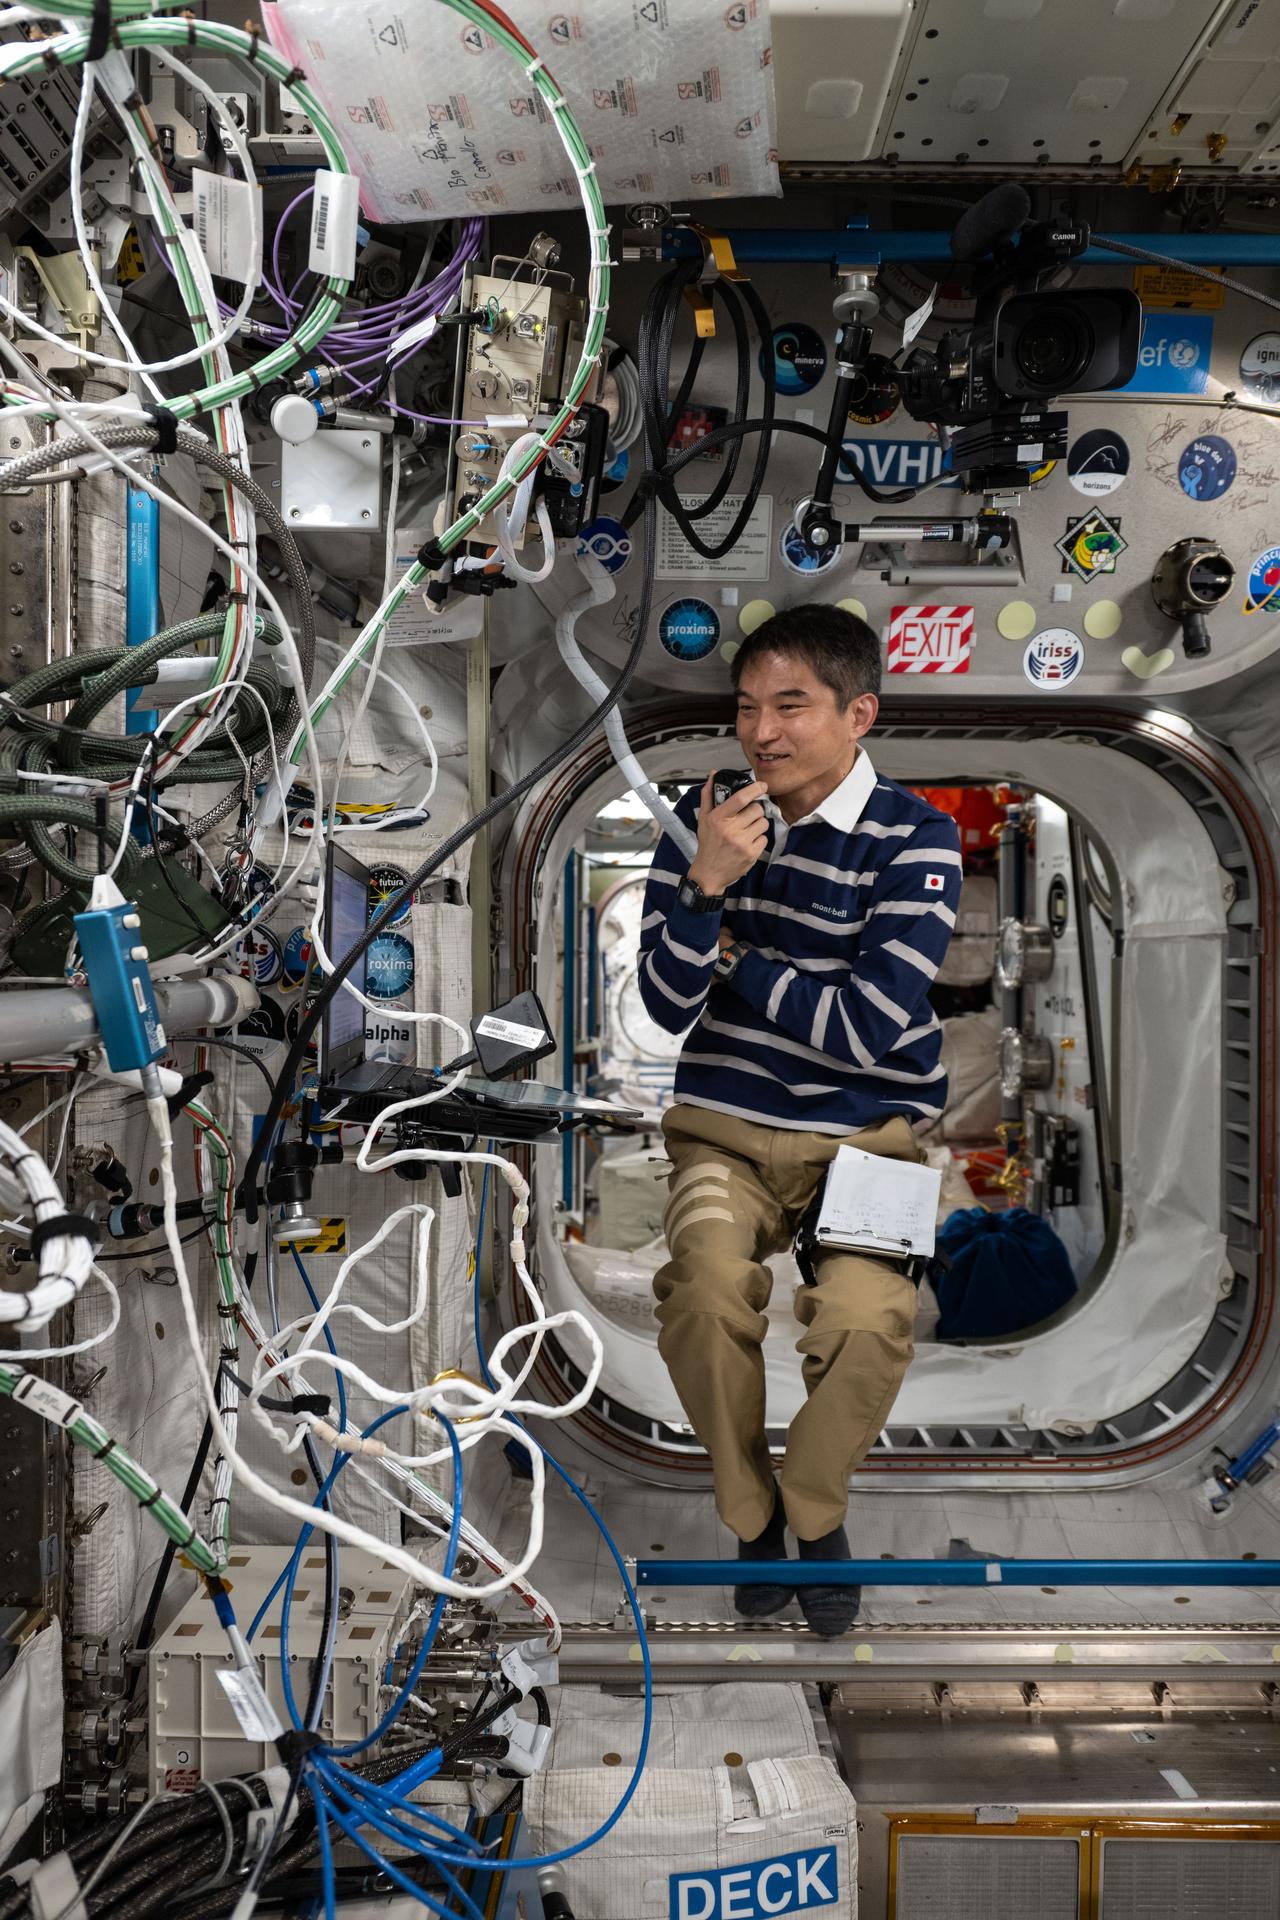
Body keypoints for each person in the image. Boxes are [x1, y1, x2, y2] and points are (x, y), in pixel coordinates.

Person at [637, 603, 962, 1637]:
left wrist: (734, 954)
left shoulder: (920, 839)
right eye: (745, 709)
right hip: (720, 1131)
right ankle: (752, 1516)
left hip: (871, 1142)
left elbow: (864, 1030)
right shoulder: (702, 829)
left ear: (856, 712)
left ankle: (813, 1513)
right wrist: (703, 888)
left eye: (790, 706)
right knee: (699, 1291)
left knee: (869, 1325)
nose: (761, 733)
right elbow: (655, 1012)